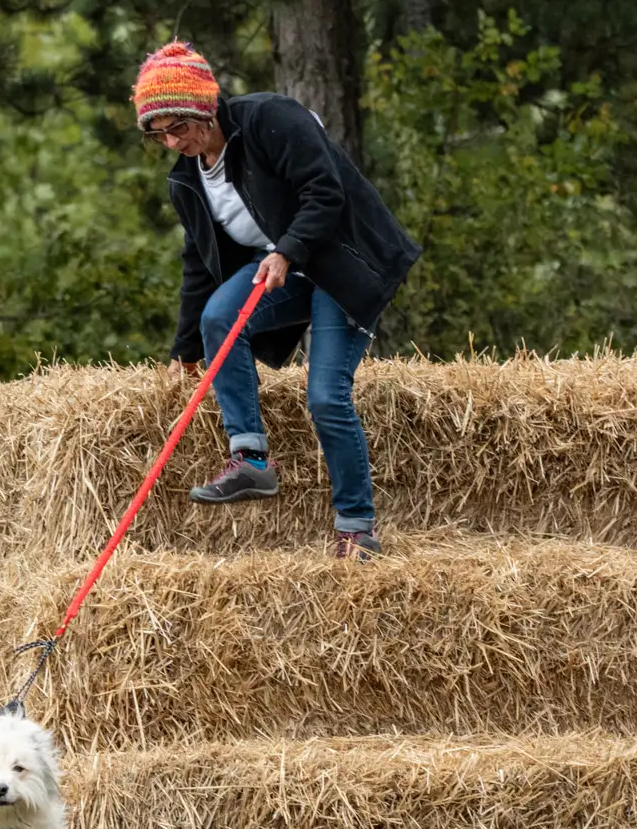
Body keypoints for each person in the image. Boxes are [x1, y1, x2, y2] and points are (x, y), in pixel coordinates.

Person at [131, 40, 421, 558]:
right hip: (283, 267)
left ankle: (356, 527)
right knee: (218, 317)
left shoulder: (271, 119)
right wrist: (183, 353)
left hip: (340, 263)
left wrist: (287, 251)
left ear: (203, 107)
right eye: (159, 134)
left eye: (179, 126)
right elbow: (198, 266)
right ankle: (251, 461)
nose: (173, 141)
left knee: (327, 396)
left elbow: (325, 191)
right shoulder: (186, 181)